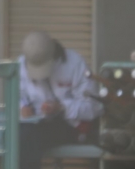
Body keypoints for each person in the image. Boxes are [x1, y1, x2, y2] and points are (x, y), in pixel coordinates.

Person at [18, 31, 103, 169]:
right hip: (34, 124)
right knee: (16, 136)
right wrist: (22, 107)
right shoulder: (21, 65)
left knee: (29, 139)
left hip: (69, 124)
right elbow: (17, 95)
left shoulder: (75, 63)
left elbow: (94, 106)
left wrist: (62, 107)